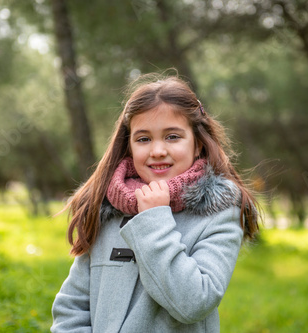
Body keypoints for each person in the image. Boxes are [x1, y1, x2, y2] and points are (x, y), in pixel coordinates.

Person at [51, 73, 260, 332]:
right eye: (143, 139)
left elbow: (194, 303)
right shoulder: (107, 208)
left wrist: (154, 219)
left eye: (172, 136)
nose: (157, 150)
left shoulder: (218, 211)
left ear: (197, 145)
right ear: (129, 146)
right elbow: (72, 307)